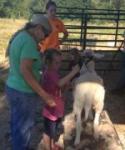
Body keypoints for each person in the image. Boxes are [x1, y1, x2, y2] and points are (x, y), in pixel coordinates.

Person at [5, 15, 56, 150]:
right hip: (24, 92)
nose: (44, 39)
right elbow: (26, 70)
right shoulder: (28, 42)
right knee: (24, 129)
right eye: (45, 35)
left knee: (17, 124)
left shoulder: (21, 36)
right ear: (38, 28)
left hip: (13, 87)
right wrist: (44, 95)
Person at [39, 49, 80, 150]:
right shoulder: (49, 73)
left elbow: (59, 88)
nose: (59, 65)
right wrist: (73, 72)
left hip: (57, 107)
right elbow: (59, 83)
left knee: (53, 130)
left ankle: (52, 145)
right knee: (48, 132)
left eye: (60, 62)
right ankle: (47, 147)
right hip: (50, 110)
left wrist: (67, 86)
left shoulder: (55, 73)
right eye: (56, 62)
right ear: (48, 62)